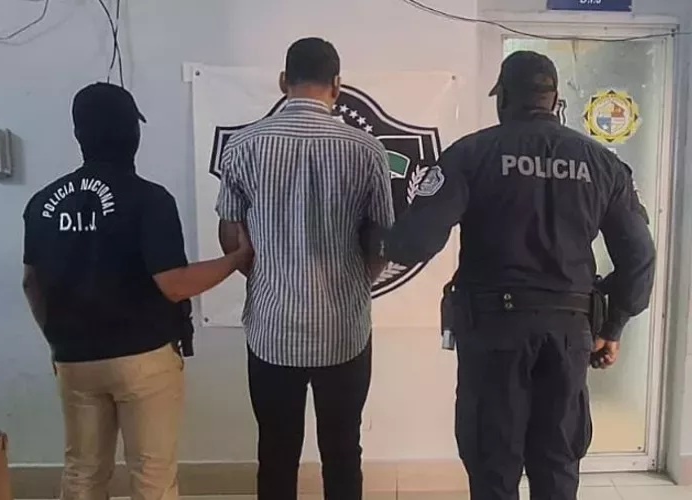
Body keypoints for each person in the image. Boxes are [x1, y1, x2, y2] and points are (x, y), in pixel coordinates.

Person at [382, 51, 655, 500]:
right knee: (557, 466)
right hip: (569, 334)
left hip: (494, 334)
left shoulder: (471, 154)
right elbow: (640, 256)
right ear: (554, 99)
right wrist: (613, 324)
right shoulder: (602, 163)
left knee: (493, 466)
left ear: (503, 97)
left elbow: (413, 243)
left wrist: (378, 235)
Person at [22, 82, 252, 500]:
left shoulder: (42, 203)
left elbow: (30, 281)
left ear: (78, 134)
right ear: (133, 132)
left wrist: (55, 339)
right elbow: (175, 285)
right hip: (142, 358)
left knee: (82, 472)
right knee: (151, 476)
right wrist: (236, 258)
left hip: (73, 358)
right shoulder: (150, 199)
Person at [215, 37, 394, 500]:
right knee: (343, 449)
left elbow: (232, 238)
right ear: (337, 85)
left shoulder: (243, 145)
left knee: (276, 450)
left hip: (272, 327)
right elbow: (382, 241)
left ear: (283, 81)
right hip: (344, 328)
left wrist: (269, 275)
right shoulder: (367, 149)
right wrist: (355, 282)